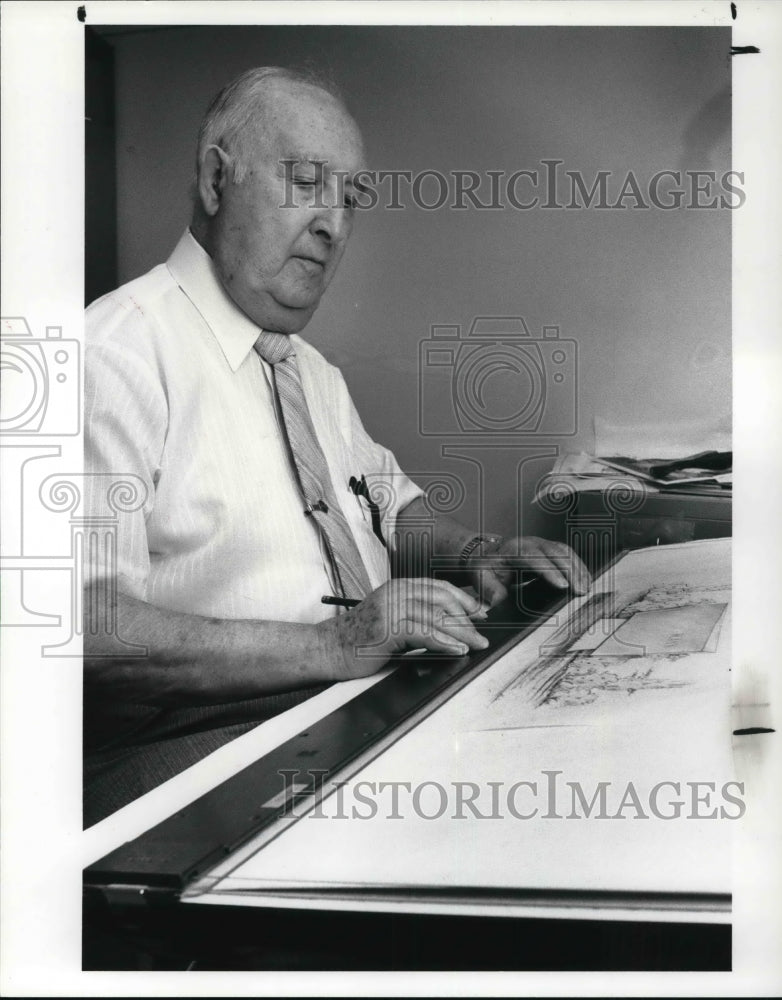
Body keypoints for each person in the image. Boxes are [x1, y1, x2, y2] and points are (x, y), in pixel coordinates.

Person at [83, 66, 590, 825]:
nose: (335, 225)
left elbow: (388, 503)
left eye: (350, 200)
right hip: (198, 751)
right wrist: (334, 645)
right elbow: (88, 635)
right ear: (218, 182)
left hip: (349, 711)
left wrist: (478, 553)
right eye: (307, 183)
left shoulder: (309, 370)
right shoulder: (110, 354)